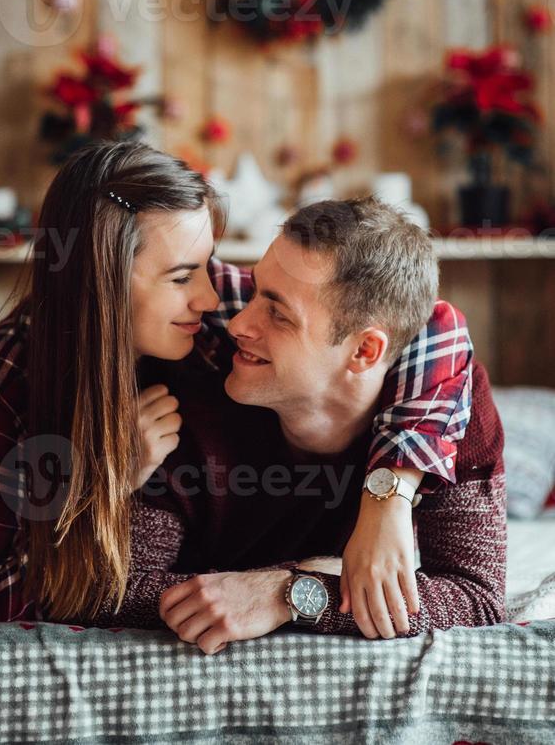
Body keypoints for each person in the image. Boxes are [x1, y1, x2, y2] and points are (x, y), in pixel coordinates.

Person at [0, 143, 474, 633]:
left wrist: (389, 494)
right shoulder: (5, 382)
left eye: (207, 264)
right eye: (180, 276)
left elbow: (427, 322)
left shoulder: (217, 321)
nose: (211, 295)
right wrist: (102, 480)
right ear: (99, 280)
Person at [94, 198, 505, 653]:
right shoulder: (184, 389)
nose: (237, 325)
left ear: (365, 352)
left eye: (278, 313)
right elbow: (113, 592)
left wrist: (287, 594)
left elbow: (476, 598)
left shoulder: (448, 411)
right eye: (254, 293)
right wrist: (320, 572)